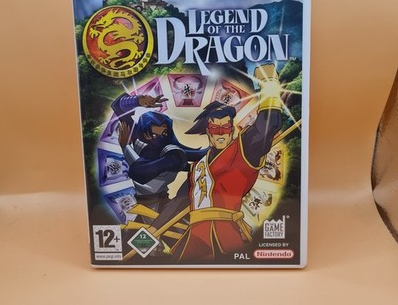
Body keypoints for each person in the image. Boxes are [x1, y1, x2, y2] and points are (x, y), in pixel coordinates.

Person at [171, 64, 283, 261]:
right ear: (208, 132)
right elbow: (178, 203)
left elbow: (269, 124)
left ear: (232, 130)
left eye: (226, 128)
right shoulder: (197, 167)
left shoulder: (243, 149)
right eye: (215, 129)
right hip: (194, 239)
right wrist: (151, 230)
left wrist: (269, 84)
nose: (221, 133)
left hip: (224, 236)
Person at [112, 94, 205, 218]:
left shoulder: (170, 151)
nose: (160, 139)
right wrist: (138, 101)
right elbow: (117, 106)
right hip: (141, 202)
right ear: (145, 133)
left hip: (161, 201)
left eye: (164, 133)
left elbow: (139, 171)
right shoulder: (136, 135)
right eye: (154, 135)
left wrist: (125, 147)